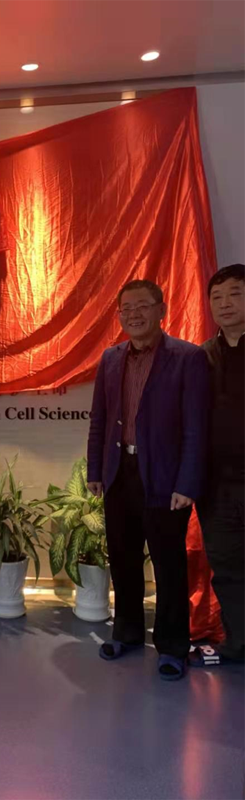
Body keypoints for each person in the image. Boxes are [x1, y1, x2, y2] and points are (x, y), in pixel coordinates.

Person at [87, 279, 209, 681]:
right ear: (119, 315)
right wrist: (95, 470)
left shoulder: (187, 357)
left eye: (142, 306)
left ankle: (172, 646)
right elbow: (100, 419)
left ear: (161, 310)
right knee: (123, 559)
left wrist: (187, 482)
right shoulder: (110, 359)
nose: (134, 314)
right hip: (119, 473)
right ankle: (127, 633)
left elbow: (196, 426)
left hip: (165, 479)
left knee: (169, 564)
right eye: (126, 308)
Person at [191, 264, 245, 667]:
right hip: (217, 488)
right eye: (217, 296)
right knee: (227, 569)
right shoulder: (202, 357)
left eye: (236, 294)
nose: (225, 304)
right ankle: (238, 645)